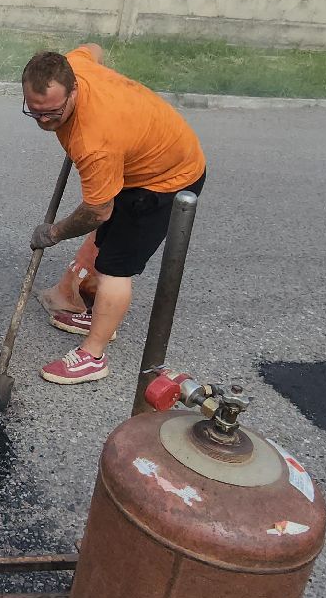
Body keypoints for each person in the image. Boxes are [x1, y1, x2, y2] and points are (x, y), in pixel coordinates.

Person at [21, 44, 206, 384]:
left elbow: (96, 211)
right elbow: (95, 49)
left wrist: (54, 233)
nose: (44, 121)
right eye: (35, 112)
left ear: (73, 88)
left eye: (53, 113)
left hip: (166, 180)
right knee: (107, 246)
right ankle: (100, 317)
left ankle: (93, 356)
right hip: (137, 161)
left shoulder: (94, 142)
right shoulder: (75, 63)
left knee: (115, 268)